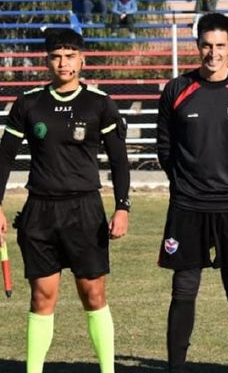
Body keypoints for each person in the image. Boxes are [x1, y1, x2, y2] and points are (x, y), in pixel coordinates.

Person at [0, 28, 130, 373]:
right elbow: (4, 158)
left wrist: (122, 207)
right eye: (57, 56)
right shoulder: (28, 103)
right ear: (47, 60)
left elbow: (119, 160)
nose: (64, 63)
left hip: (85, 211)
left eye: (70, 56)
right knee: (42, 298)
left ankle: (107, 369)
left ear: (82, 59)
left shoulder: (99, 103)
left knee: (94, 296)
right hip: (39, 212)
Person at [156, 13, 228, 373]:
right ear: (198, 46)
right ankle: (176, 367)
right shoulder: (176, 90)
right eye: (207, 45)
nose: (213, 52)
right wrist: (183, 183)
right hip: (188, 205)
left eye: (220, 45)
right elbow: (165, 147)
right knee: (183, 289)